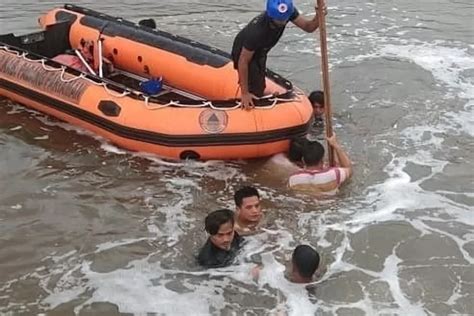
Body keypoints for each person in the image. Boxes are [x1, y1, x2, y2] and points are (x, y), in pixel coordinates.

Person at [231, 0, 327, 109]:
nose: (282, 22)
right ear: (271, 16)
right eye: (279, 20)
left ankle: (260, 93)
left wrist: (318, 16)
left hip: (261, 50)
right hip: (245, 52)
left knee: (260, 85)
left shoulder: (288, 12)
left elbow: (308, 27)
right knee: (254, 90)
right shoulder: (257, 31)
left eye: (284, 19)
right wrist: (245, 93)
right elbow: (243, 60)